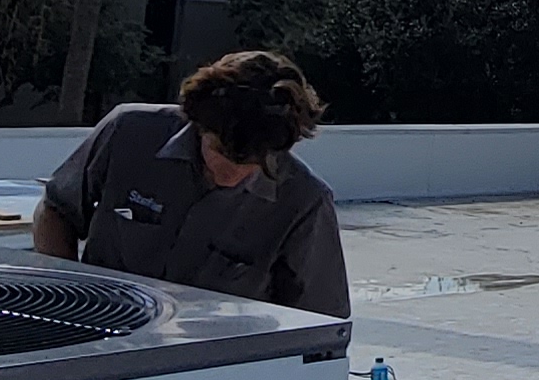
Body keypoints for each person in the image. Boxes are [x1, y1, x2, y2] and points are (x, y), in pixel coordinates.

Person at [33, 48, 350, 317]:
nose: (229, 175)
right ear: (196, 121)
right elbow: (56, 210)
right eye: (218, 152)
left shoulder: (305, 203)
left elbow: (319, 323)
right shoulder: (128, 133)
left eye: (251, 164)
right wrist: (68, 299)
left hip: (211, 373)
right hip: (101, 340)